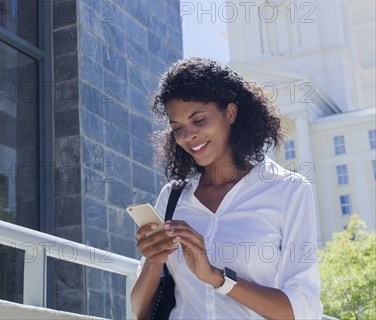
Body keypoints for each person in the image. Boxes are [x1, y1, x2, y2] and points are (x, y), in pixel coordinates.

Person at [130, 57, 322, 319]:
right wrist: (153, 261)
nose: (188, 136)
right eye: (177, 127)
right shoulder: (173, 197)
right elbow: (139, 311)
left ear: (230, 113)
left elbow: (304, 310)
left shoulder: (288, 190)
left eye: (198, 120)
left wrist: (217, 278)